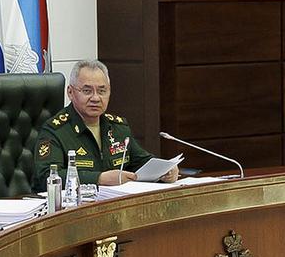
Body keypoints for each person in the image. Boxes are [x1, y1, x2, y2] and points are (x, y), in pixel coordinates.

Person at [32, 59, 179, 191]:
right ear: (70, 92)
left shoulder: (118, 127)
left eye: (102, 91)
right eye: (87, 91)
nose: (95, 98)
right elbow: (45, 178)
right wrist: (99, 179)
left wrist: (165, 171)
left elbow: (141, 162)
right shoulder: (55, 131)